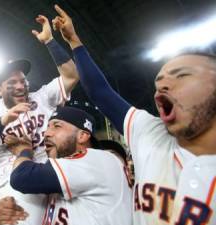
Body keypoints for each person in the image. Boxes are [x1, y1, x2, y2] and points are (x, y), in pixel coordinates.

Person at [53, 4, 216, 224]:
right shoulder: (149, 131)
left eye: (181, 75)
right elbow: (100, 92)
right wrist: (74, 41)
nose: (162, 85)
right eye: (158, 81)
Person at [0, 14, 80, 225]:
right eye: (12, 83)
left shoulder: (42, 96)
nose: (21, 86)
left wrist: (50, 41)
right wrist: (3, 120)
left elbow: (71, 76)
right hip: (2, 179)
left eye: (23, 81)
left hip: (37, 174)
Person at [2, 106, 132, 225]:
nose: (46, 133)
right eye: (48, 127)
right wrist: (4, 211)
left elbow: (22, 177)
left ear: (82, 136)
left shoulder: (98, 158)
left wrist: (24, 151)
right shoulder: (66, 180)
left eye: (57, 126)